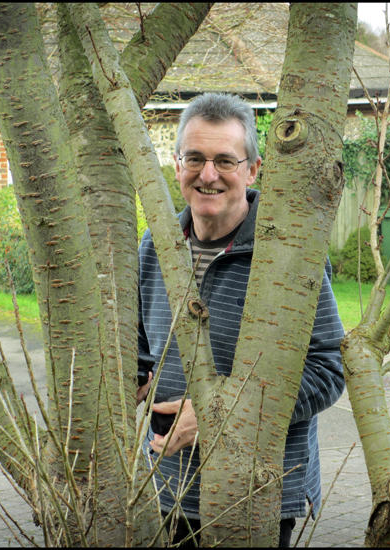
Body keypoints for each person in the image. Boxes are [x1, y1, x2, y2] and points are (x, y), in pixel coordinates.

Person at [136, 92, 345, 547]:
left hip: (257, 495)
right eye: (194, 158)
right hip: (166, 490)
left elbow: (329, 370)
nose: (207, 175)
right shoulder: (156, 247)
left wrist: (218, 415)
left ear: (253, 169)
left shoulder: (288, 255)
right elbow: (138, 351)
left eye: (225, 161)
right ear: (176, 166)